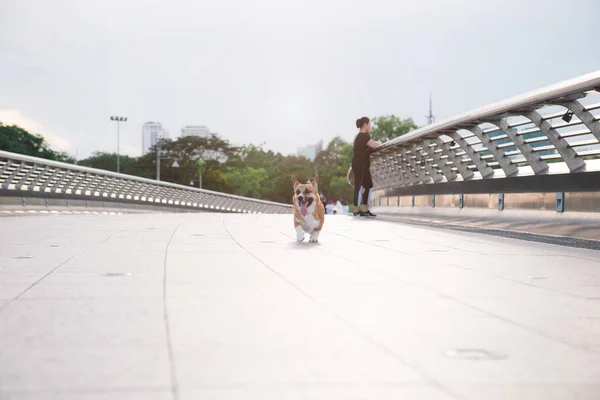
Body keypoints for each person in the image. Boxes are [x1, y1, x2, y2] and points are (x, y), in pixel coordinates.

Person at [352, 117, 381, 217]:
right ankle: (356, 210)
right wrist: (379, 143)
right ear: (365, 124)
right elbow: (375, 145)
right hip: (360, 164)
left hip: (362, 164)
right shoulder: (363, 136)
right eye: (369, 124)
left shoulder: (360, 137)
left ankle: (364, 209)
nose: (370, 126)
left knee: (368, 185)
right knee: (359, 186)